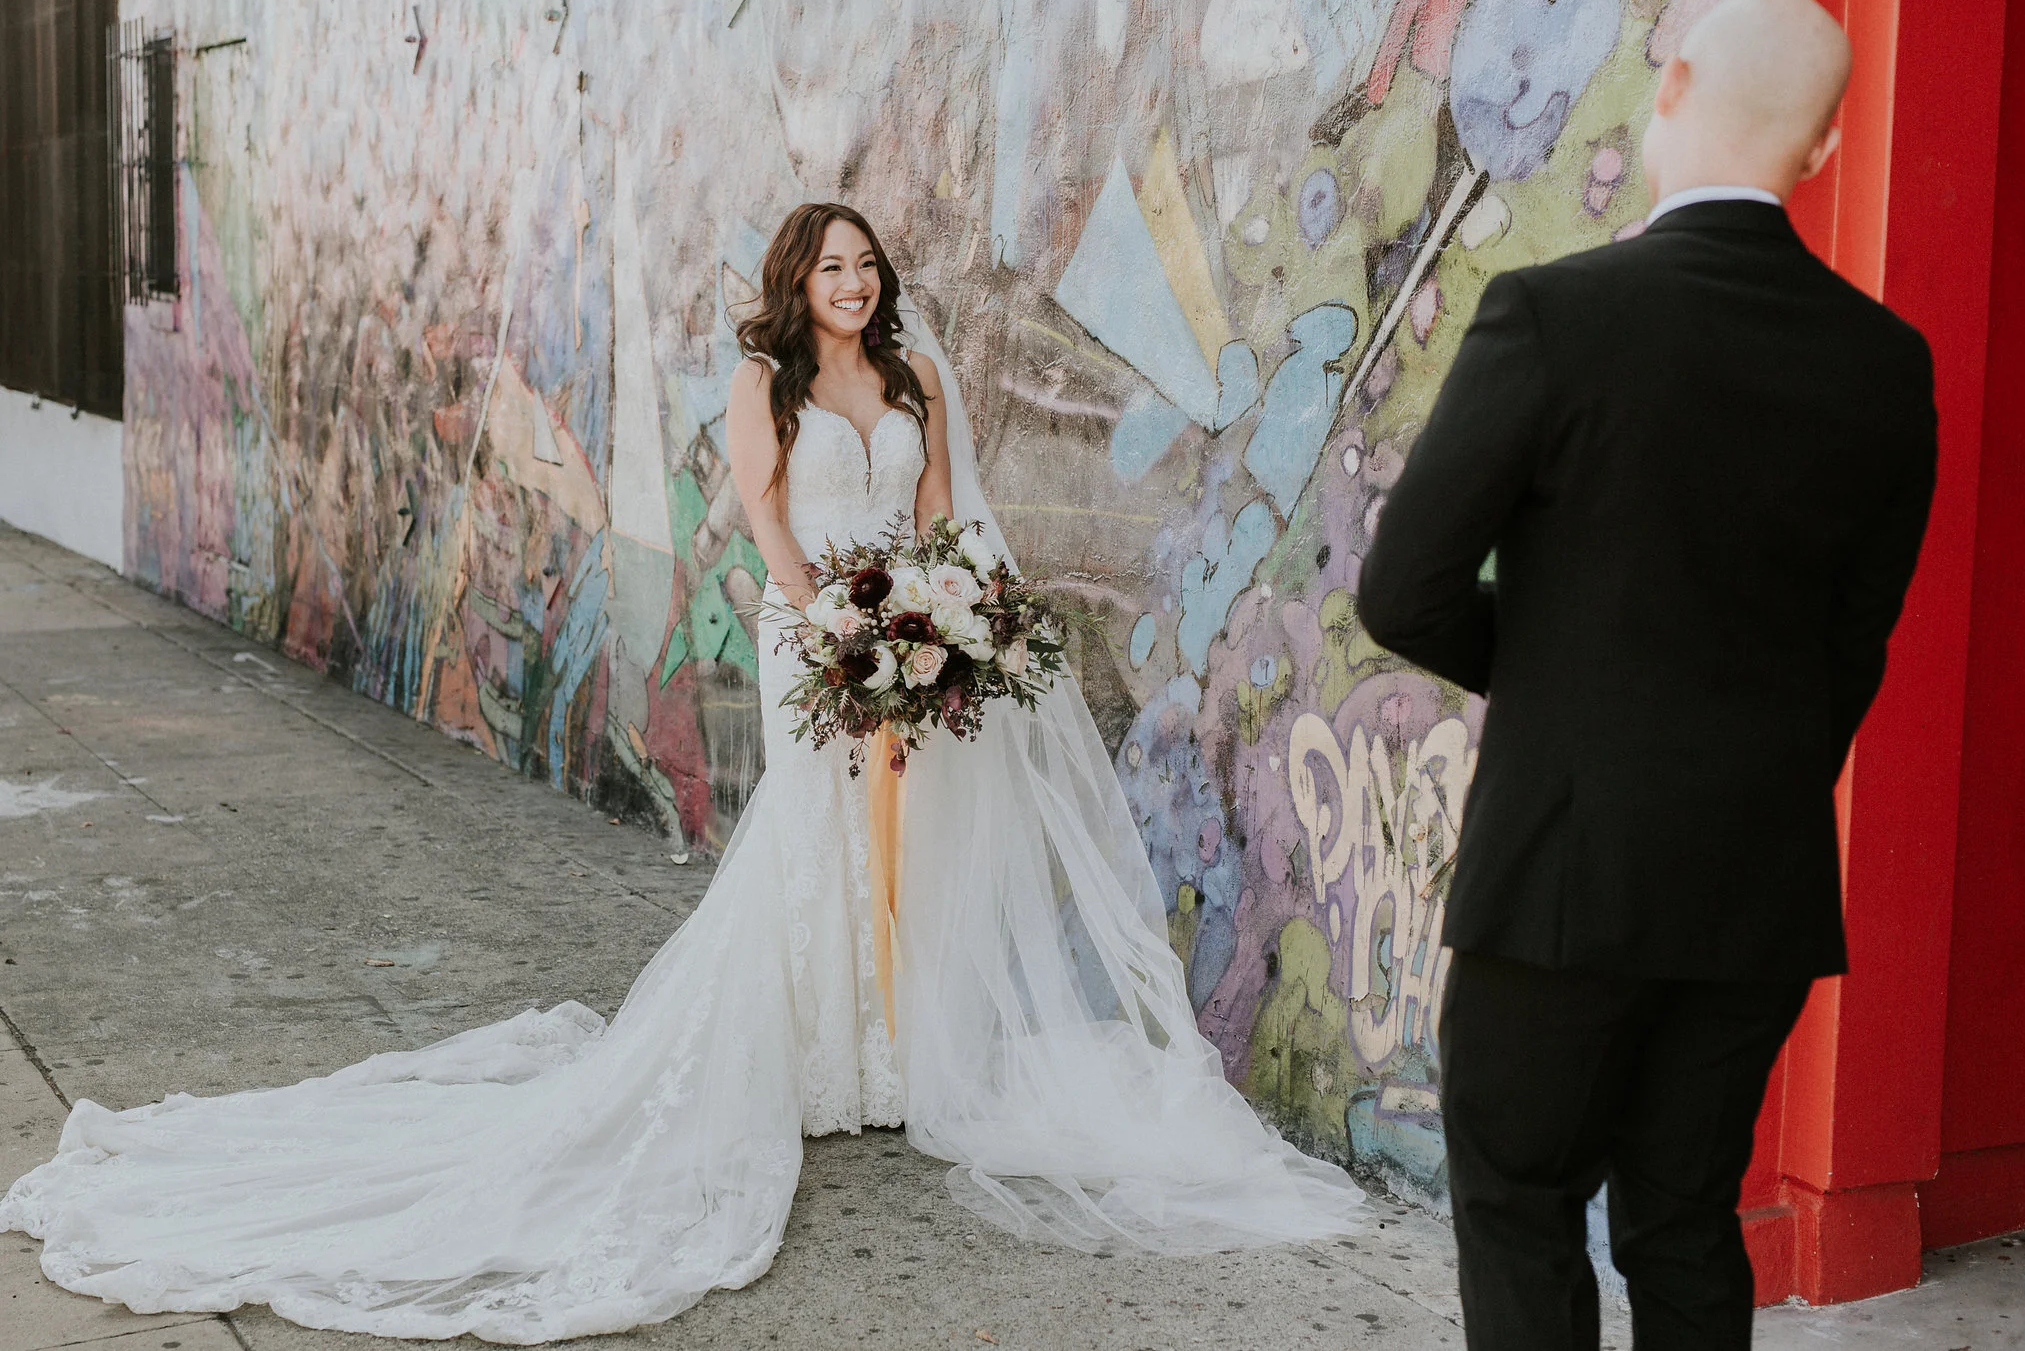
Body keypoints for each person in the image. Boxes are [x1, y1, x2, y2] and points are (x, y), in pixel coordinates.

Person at [0, 202, 1365, 1344]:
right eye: (830, 268)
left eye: (866, 266)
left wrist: (942, 613)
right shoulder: (764, 381)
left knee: (926, 832)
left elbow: (941, 509)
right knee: (820, 837)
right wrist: (839, 630)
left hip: (914, 620)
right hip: (813, 629)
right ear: (797, 283)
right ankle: (824, 1055)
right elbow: (769, 516)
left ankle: (912, 1054)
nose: (853, 284)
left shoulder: (914, 379)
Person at [1354, 0, 1936, 1349]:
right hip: (1759, 879)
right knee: (1684, 1220)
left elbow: (1402, 591)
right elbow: (1853, 647)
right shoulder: (1885, 362)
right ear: (1826, 148)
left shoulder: (1555, 314)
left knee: (1520, 1205)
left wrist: (1562, 687)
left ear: (1667, 87)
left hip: (1563, 875)